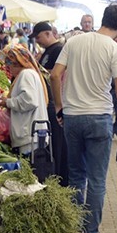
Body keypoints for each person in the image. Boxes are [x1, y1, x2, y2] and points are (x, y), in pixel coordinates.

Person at [50, 5, 117, 233]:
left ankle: (74, 229)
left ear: (101, 20)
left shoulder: (74, 42)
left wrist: (59, 107)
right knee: (97, 180)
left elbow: (55, 76)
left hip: (73, 118)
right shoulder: (116, 49)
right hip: (99, 118)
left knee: (77, 176)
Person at [0, 44, 50, 157]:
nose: (8, 69)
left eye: (9, 66)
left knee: (31, 168)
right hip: (32, 134)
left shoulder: (26, 74)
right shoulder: (30, 73)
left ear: (17, 64)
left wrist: (7, 102)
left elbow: (30, 100)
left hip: (29, 136)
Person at [32, 21, 68, 186]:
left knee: (59, 145)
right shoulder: (48, 51)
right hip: (51, 102)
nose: (37, 41)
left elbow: (56, 77)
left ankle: (60, 180)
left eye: (39, 37)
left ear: (48, 33)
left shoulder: (58, 50)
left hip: (56, 103)